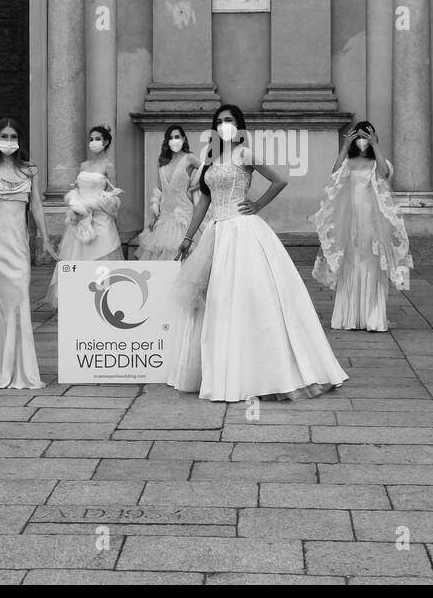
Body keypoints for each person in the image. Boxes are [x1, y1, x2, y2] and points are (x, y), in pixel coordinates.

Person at [168, 103, 348, 402]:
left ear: (239, 126)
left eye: (230, 121)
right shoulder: (209, 160)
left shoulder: (244, 154)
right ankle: (222, 368)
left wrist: (257, 205)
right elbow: (203, 201)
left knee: (248, 295)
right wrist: (188, 236)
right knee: (218, 297)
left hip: (243, 229)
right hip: (217, 230)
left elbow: (280, 180)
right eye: (220, 121)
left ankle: (259, 369)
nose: (225, 125)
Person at [0, 118, 55, 389]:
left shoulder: (29, 170)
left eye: (12, 136)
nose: (8, 140)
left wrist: (44, 237)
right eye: (4, 135)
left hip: (17, 243)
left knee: (17, 299)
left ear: (19, 140)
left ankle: (19, 369)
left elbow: (37, 206)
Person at [311, 120, 412, 331]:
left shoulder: (378, 163)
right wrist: (345, 147)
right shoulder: (348, 162)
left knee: (371, 261)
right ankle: (348, 316)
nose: (362, 141)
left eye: (366, 137)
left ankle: (373, 318)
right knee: (351, 260)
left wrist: (375, 145)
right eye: (359, 137)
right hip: (350, 219)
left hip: (372, 221)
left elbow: (386, 174)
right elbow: (334, 172)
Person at [43, 124, 123, 308]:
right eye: (91, 139)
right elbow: (77, 188)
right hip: (79, 218)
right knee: (76, 259)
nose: (93, 143)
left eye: (97, 139)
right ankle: (78, 303)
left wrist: (93, 204)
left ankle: (102, 303)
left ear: (106, 142)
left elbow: (113, 194)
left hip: (99, 218)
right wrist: (74, 202)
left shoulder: (108, 166)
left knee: (100, 258)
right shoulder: (84, 165)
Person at [135, 124, 206, 260]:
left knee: (182, 256)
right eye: (171, 138)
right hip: (164, 218)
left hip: (183, 216)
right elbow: (159, 191)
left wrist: (194, 187)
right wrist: (154, 216)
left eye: (177, 137)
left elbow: (207, 171)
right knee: (161, 258)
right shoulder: (162, 161)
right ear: (167, 141)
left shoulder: (189, 158)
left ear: (183, 139)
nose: (174, 140)